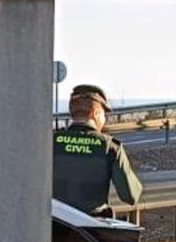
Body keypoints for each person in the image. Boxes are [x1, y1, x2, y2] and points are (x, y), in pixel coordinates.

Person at [52, 84, 142, 217]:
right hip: (91, 228)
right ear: (95, 113)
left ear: (71, 112)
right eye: (104, 114)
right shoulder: (110, 147)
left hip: (54, 224)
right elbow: (130, 196)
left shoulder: (50, 141)